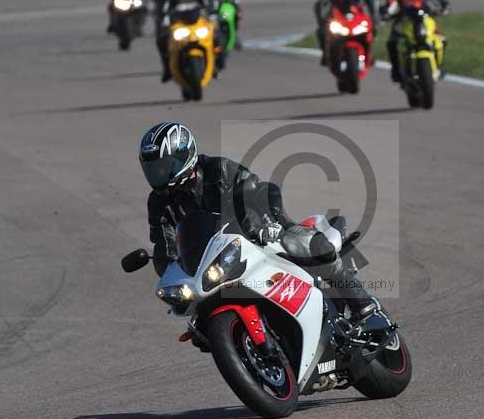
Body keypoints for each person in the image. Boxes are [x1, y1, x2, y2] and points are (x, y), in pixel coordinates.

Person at [139, 122, 379, 323]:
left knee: (310, 246)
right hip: (216, 261)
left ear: (184, 157)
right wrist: (168, 272)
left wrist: (271, 222)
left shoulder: (217, 168)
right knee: (199, 322)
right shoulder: (158, 203)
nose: (157, 176)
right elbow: (163, 245)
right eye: (152, 170)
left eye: (163, 168)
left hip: (259, 231)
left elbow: (257, 189)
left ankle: (359, 298)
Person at [381, 0, 450, 83]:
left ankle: (439, 65)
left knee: (442, 39)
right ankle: (396, 71)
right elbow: (389, 6)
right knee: (392, 42)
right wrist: (386, 13)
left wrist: (444, 7)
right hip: (404, 20)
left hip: (425, 18)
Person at [154, 0, 210, 83]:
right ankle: (167, 68)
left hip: (197, 22)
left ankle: (216, 63)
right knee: (162, 40)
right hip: (178, 24)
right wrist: (163, 19)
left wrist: (212, 15)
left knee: (216, 35)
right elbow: (163, 8)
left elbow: (208, 5)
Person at [314, 0, 377, 66]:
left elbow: (371, 2)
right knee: (321, 32)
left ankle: (369, 54)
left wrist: (375, 18)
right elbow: (321, 4)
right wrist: (322, 20)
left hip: (357, 15)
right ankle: (325, 54)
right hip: (336, 16)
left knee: (371, 30)